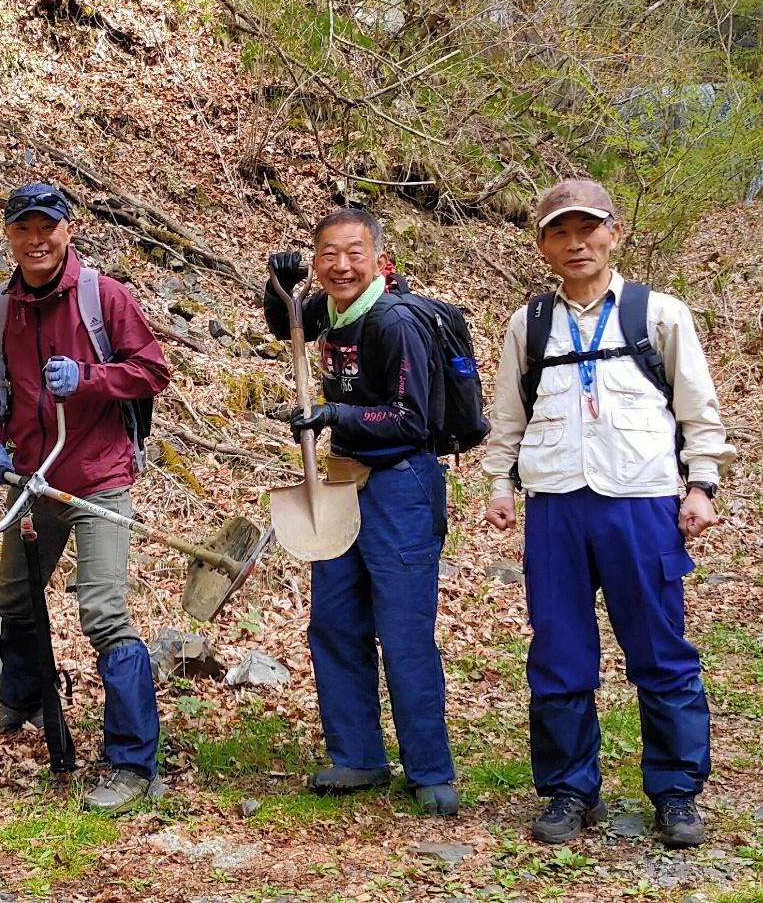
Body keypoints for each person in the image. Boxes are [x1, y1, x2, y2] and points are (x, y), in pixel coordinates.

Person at [481, 179, 735, 848]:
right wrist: (498, 485)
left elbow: (697, 410)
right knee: (559, 651)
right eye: (558, 233)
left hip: (641, 504)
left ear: (612, 232)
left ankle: (676, 793)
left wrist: (700, 485)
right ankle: (568, 790)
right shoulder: (527, 324)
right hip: (555, 508)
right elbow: (508, 414)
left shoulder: (658, 315)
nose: (574, 244)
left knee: (660, 651)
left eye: (585, 229)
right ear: (542, 245)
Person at [0, 183, 171, 814]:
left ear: (67, 229)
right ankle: (22, 699)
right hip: (33, 477)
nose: (36, 239)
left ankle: (133, 762)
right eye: (23, 229)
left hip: (100, 475)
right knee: (14, 598)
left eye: (46, 227)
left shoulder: (102, 297)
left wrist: (90, 379)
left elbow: (153, 369)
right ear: (9, 236)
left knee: (104, 613)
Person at [265, 207, 458, 816]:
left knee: (403, 632)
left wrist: (333, 417)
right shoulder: (329, 307)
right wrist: (277, 286)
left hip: (402, 484)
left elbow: (412, 419)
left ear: (380, 261)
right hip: (344, 485)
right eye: (328, 254)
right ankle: (358, 757)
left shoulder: (394, 321)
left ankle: (429, 769)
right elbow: (285, 326)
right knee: (336, 622)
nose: (340, 265)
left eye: (354, 253)